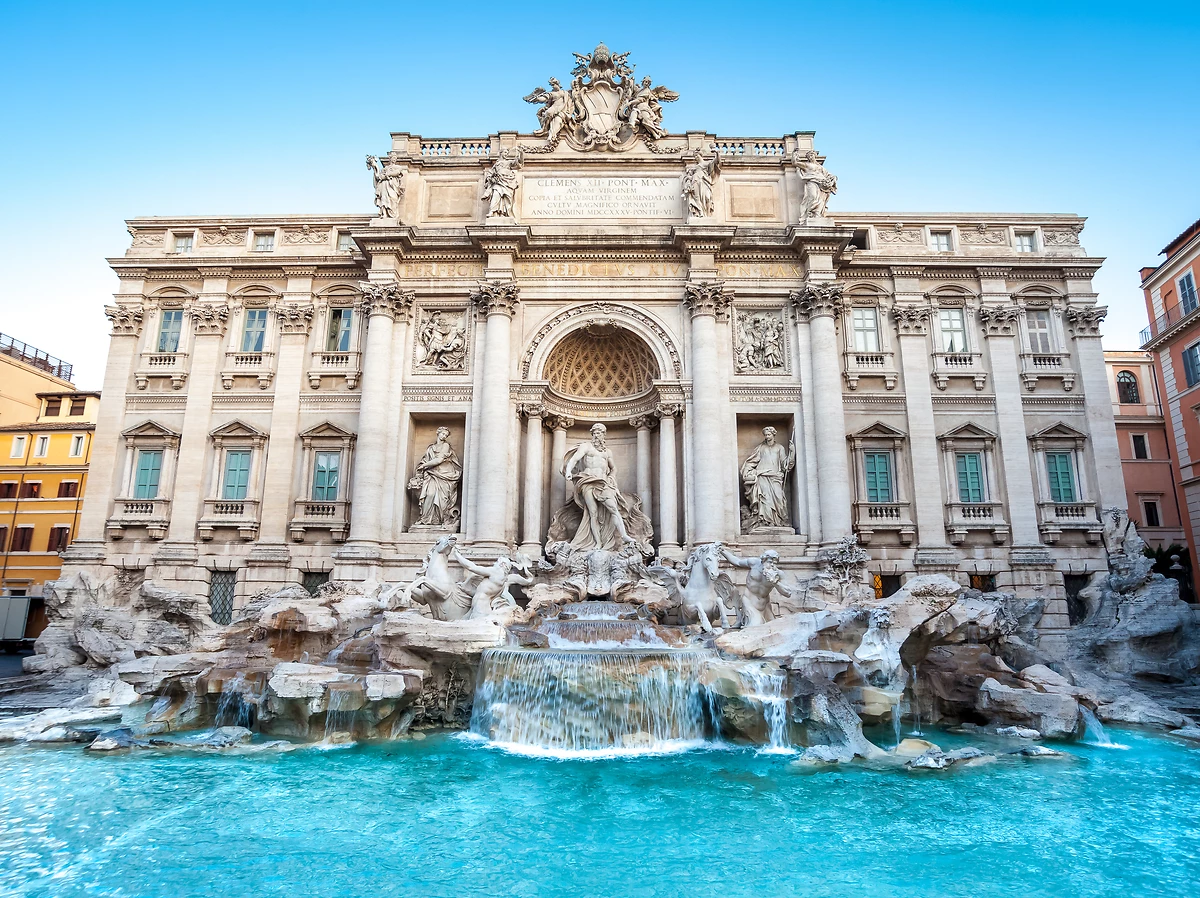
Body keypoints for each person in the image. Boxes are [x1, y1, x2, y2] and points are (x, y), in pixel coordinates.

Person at [562, 423, 636, 551]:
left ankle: (624, 536)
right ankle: (597, 543)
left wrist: (612, 478)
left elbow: (614, 468)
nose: (597, 435)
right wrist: (568, 471)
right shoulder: (586, 447)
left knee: (613, 508)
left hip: (603, 482)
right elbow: (574, 459)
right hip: (587, 481)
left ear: (604, 435)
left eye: (599, 433)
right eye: (595, 433)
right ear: (592, 434)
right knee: (593, 513)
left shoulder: (607, 452)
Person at [741, 427, 795, 528]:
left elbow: (785, 465)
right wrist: (748, 471)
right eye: (765, 435)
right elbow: (752, 461)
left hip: (775, 477)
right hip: (762, 476)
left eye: (769, 434)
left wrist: (792, 453)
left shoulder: (779, 448)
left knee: (779, 497)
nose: (767, 437)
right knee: (764, 499)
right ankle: (765, 521)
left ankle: (778, 521)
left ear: (773, 434)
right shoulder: (760, 448)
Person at [410, 428, 462, 526]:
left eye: (446, 435)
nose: (444, 436)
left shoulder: (446, 446)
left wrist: (424, 466)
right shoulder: (430, 448)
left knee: (442, 499)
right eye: (443, 434)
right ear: (438, 433)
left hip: (444, 475)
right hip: (432, 474)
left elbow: (439, 460)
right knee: (429, 495)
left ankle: (438, 520)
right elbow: (425, 460)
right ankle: (425, 519)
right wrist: (422, 467)